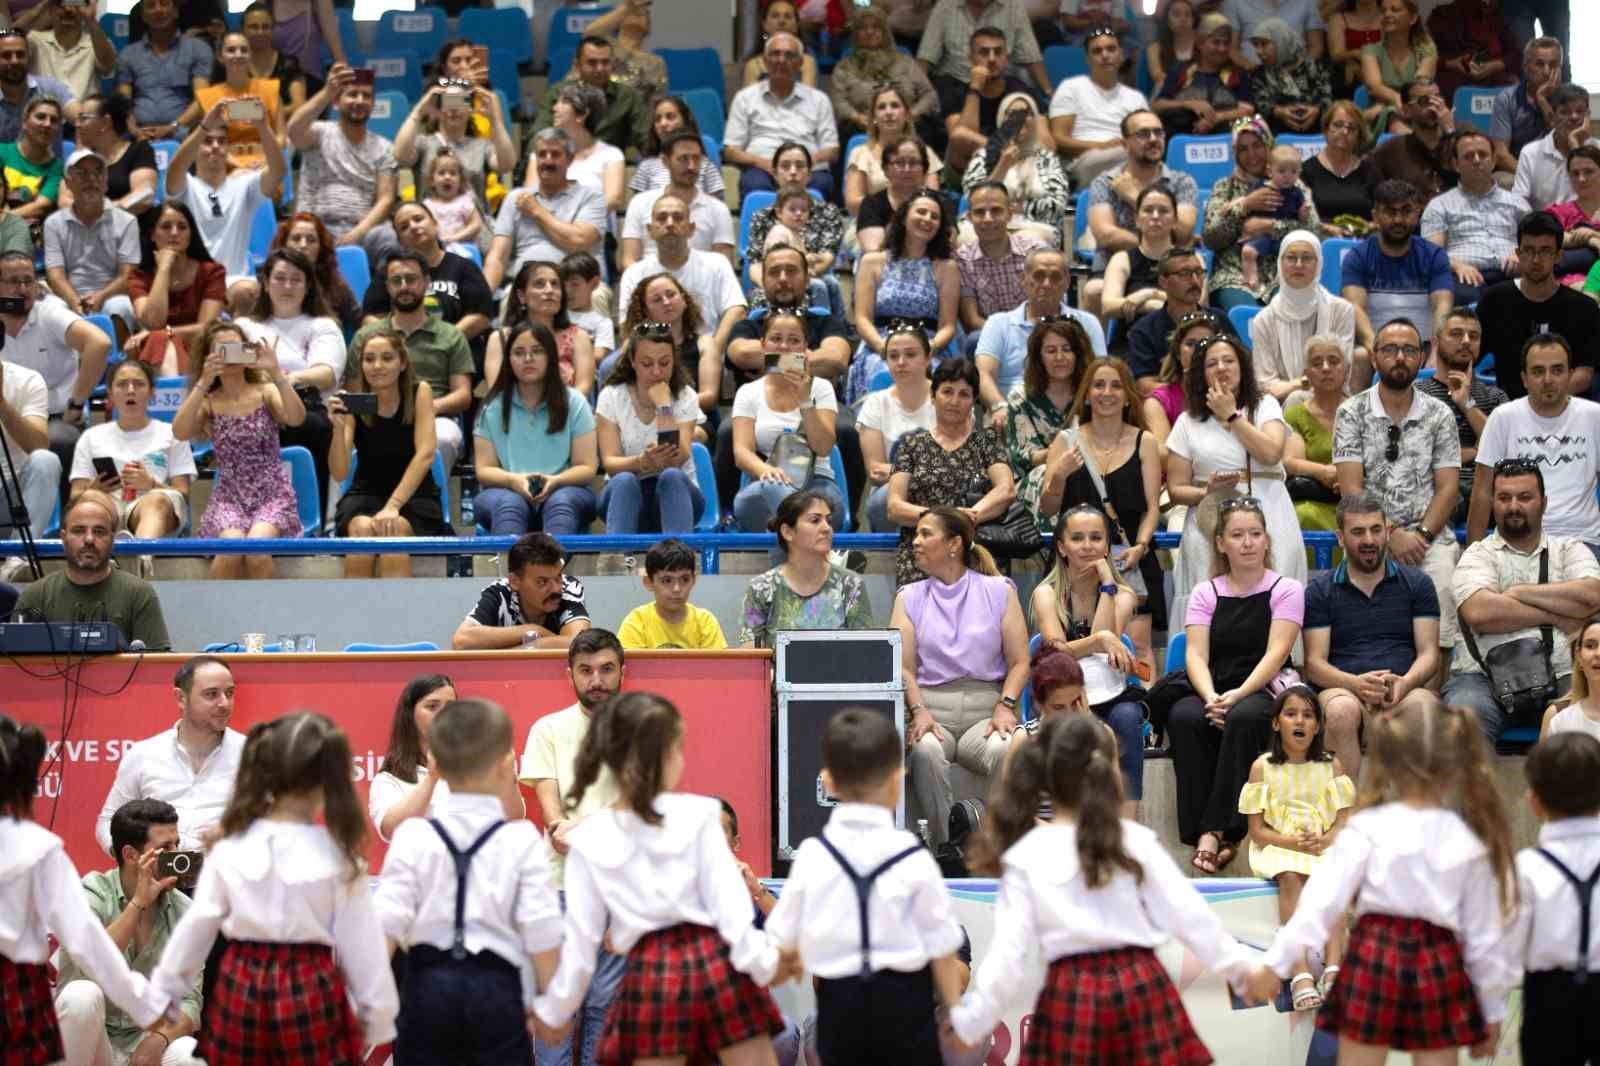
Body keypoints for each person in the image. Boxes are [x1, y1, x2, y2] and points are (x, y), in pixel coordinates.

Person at [948, 714, 1255, 1058]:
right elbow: (1192, 918)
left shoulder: (1027, 855)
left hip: (1070, 996)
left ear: (1044, 778)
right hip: (1141, 987)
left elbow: (1007, 958)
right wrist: (1244, 973)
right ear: (1108, 773)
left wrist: (972, 1024)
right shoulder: (1133, 840)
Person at [1242, 700, 1515, 1061]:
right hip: (1438, 962)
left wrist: (1275, 964)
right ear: (1454, 768)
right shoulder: (1466, 841)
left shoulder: (1365, 830)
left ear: (1386, 762)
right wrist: (1492, 1012)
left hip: (1373, 958)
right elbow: (1484, 938)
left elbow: (1318, 906)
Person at [529, 692, 787, 1059]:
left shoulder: (588, 838)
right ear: (670, 756)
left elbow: (581, 946)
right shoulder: (701, 815)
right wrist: (764, 962)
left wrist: (555, 1008)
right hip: (715, 969)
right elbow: (731, 914)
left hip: (652, 978)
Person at [145, 712, 399, 1063]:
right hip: (312, 987)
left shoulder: (229, 850)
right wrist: (379, 1016)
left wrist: (166, 992)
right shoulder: (340, 859)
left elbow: (195, 929)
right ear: (329, 780)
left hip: (241, 985)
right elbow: (363, 949)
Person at [765, 707, 966, 1065]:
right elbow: (942, 948)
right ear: (896, 780)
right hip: (907, 1014)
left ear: (827, 783)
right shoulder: (914, 858)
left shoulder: (812, 856)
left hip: (840, 1013)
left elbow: (783, 941)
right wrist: (954, 1009)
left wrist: (789, 964)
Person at [373, 697, 561, 1066]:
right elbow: (542, 929)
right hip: (498, 994)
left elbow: (385, 926)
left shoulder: (412, 836)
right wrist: (552, 1001)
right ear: (508, 763)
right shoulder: (520, 839)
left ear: (434, 764)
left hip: (426, 991)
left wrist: (371, 1002)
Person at [0, 717, 166, 1066]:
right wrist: (141, 1003)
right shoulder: (37, 849)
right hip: (15, 993)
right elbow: (87, 941)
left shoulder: (37, 850)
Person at [1168, 495, 1306, 875]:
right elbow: (1195, 655)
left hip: (1263, 689)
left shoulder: (1287, 589)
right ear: (1220, 543)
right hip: (1215, 686)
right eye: (1238, 535)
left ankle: (1216, 832)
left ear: (1267, 541)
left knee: (1245, 718)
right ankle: (1200, 830)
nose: (1247, 542)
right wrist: (1211, 696)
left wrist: (1237, 696)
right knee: (1184, 716)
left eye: (1255, 534)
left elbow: (1277, 653)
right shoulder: (1205, 592)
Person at [1332, 316, 1461, 672]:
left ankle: (1432, 708)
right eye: (1389, 350)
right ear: (1374, 358)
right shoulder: (1351, 412)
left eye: (1408, 350)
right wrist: (1390, 535)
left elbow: (1448, 488)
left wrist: (1418, 536)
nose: (1399, 357)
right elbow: (1351, 489)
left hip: (1429, 537)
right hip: (1369, 535)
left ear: (1423, 356)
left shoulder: (1439, 413)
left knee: (1445, 597)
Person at [893, 506, 1028, 844]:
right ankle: (946, 847)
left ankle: (995, 844)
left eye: (925, 534)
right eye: (916, 535)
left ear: (954, 544)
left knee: (1004, 748)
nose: (916, 542)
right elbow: (903, 667)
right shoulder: (908, 597)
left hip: (985, 709)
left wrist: (1006, 704)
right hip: (931, 709)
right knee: (925, 751)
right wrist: (918, 710)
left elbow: (1020, 661)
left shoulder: (1000, 590)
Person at [1449, 457, 1600, 742]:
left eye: (1525, 497)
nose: (1514, 506)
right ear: (1493, 503)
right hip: (1482, 678)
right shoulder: (1478, 554)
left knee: (1588, 710)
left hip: (1562, 673)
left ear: (1543, 502)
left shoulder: (1570, 550)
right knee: (1463, 718)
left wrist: (1518, 593)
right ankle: (1478, 789)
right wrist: (1556, 615)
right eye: (1504, 498)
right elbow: (1481, 613)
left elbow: (1591, 597)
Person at [1304, 491, 1445, 781]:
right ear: (1340, 537)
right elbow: (1314, 664)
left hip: (1403, 687)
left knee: (1425, 707)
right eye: (1357, 532)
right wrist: (1355, 684)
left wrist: (1405, 683)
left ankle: (1416, 818)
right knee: (1341, 711)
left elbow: (1430, 654)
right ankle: (1345, 818)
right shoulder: (1319, 591)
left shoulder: (1418, 584)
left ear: (1388, 531)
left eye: (1376, 530)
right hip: (1343, 688)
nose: (1368, 540)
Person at [53, 798, 204, 1066]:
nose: (177, 855)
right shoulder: (88, 894)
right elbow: (91, 966)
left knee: (189, 1054)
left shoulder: (186, 912)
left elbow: (190, 1001)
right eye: (164, 848)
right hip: (93, 1038)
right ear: (131, 855)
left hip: (145, 1036)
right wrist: (138, 904)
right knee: (81, 995)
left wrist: (159, 1039)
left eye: (177, 844)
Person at [1166, 334, 1306, 620]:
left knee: (1275, 602)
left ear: (1242, 367)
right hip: (1210, 519)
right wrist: (1206, 491)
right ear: (1200, 374)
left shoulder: (1264, 405)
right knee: (1211, 605)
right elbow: (1176, 488)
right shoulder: (1187, 420)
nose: (1221, 368)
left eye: (1229, 360)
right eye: (1212, 363)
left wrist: (1232, 416)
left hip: (1271, 511)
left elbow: (1270, 454)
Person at [1238, 686, 1354, 1012]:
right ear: (1276, 723)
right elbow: (1258, 832)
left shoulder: (1332, 766)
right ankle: (1300, 972)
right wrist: (1293, 843)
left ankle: (1334, 969)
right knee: (1290, 875)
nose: (1299, 721)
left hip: (1322, 843)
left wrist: (1325, 840)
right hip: (1278, 844)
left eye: (1308, 715)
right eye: (1291, 714)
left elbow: (1344, 822)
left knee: (1333, 875)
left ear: (1317, 725)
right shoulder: (1263, 767)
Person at [1030, 503, 1149, 810]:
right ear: (1061, 546)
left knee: (1127, 717)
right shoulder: (1046, 594)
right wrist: (1101, 639)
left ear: (1107, 545)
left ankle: (1126, 822)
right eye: (1078, 538)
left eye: (1096, 538)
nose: (1087, 546)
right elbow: (1057, 649)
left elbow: (1101, 639)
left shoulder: (1124, 595)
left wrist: (1107, 586)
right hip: (1063, 695)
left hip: (1110, 693)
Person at [171, 319, 304, 578]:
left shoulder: (266, 391)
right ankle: (218, 618)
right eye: (222, 349)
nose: (230, 355)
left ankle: (269, 619)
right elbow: (179, 431)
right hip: (229, 496)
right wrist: (203, 381)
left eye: (236, 347)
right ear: (209, 357)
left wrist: (276, 373)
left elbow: (296, 417)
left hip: (273, 493)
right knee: (229, 550)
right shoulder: (209, 402)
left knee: (255, 549)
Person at [328, 328, 451, 579]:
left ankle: (397, 618)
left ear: (403, 363)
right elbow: (339, 471)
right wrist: (338, 431)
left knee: (393, 529)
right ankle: (356, 616)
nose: (377, 366)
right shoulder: (353, 402)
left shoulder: (420, 392)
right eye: (369, 359)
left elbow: (426, 454)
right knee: (361, 530)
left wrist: (393, 506)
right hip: (365, 493)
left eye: (387, 358)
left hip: (415, 496)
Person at [1508, 731, 1600, 1064]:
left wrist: (1489, 1010)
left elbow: (1507, 945)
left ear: (1534, 802)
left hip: (1549, 997)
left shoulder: (1526, 867)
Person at [232, 247, 344, 512]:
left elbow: (325, 374)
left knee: (314, 425)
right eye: (280, 278)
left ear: (307, 287)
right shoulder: (246, 326)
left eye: (296, 279)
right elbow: (233, 367)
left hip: (306, 406)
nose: (288, 285)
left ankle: (313, 517)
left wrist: (282, 378)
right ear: (266, 283)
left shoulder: (322, 325)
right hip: (254, 406)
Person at [885, 357, 1014, 586]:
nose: (954, 401)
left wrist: (968, 517)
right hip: (923, 554)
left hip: (976, 550)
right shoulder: (911, 445)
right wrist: (946, 520)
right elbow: (895, 507)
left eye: (964, 394)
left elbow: (1005, 490)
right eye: (947, 391)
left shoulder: (988, 442)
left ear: (974, 400)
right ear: (933, 397)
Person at [1469, 334, 1600, 550]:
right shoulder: (1503, 417)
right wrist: (1473, 556)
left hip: (1584, 541)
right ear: (1524, 379)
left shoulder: (1594, 416)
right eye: (1538, 371)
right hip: (1517, 541)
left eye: (1557, 370)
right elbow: (1482, 491)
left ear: (1570, 375)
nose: (1548, 379)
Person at [349, 251, 473, 475]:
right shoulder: (366, 337)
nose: (404, 286)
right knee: (343, 438)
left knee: (444, 439)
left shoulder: (451, 335)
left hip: (436, 416)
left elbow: (463, 395)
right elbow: (355, 392)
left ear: (426, 282)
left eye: (411, 279)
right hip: (377, 418)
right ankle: (345, 509)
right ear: (387, 287)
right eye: (396, 280)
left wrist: (426, 408)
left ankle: (432, 505)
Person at [472, 318, 597, 538]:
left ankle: (552, 571)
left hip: (564, 488)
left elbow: (586, 467)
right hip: (506, 489)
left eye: (537, 351)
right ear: (508, 360)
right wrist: (513, 481)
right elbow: (484, 470)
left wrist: (556, 481)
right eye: (519, 352)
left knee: (561, 503)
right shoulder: (492, 407)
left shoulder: (575, 402)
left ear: (550, 356)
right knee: (509, 504)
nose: (528, 359)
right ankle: (514, 573)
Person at [0, 249, 107, 489]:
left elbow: (99, 343)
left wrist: (77, 403)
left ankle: (62, 520)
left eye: (29, 280)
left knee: (59, 442)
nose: (23, 289)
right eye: (13, 281)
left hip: (54, 418)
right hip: (5, 418)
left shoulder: (49, 312)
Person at [165, 102, 285, 314]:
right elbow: (175, 168)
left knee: (249, 291)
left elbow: (278, 171)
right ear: (195, 148)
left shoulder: (245, 185)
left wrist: (263, 128)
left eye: (221, 141)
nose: (215, 146)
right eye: (207, 141)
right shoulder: (186, 186)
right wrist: (204, 125)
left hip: (233, 281)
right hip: (191, 283)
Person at [731, 309, 844, 532]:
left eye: (793, 340)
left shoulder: (822, 389)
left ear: (805, 349)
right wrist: (766, 470)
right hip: (765, 484)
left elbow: (823, 447)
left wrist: (804, 400)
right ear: (763, 345)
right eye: (776, 339)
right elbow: (741, 453)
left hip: (818, 484)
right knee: (774, 489)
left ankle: (786, 561)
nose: (784, 347)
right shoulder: (748, 392)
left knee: (804, 512)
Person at [16, 490, 170, 648]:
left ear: (112, 539)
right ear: (63, 537)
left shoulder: (139, 594)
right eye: (78, 531)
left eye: (99, 531)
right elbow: (13, 667)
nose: (89, 539)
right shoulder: (34, 597)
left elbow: (158, 665)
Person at [1477, 211, 1600, 399]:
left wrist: (1540, 402)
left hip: (1568, 408)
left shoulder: (1584, 308)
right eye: (1528, 250)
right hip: (1509, 410)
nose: (1536, 259)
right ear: (1518, 253)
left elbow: (1584, 374)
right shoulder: (1494, 300)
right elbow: (1470, 356)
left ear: (1558, 255)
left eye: (1544, 251)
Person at [852, 192, 961, 404]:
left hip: (928, 346)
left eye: (934, 216)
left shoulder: (947, 268)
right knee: (881, 370)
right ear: (903, 217)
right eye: (921, 212)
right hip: (881, 345)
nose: (927, 219)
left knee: (935, 374)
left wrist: (926, 349)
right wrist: (884, 347)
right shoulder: (872, 262)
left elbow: (948, 326)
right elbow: (862, 319)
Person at [286, 62, 399, 266]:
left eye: (366, 96)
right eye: (352, 94)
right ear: (337, 102)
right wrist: (328, 91)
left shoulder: (384, 148)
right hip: (315, 225)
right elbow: (293, 130)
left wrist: (358, 233)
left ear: (373, 104)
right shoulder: (319, 133)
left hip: (361, 227)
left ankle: (383, 297)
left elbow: (386, 199)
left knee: (387, 239)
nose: (359, 100)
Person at [1203, 118, 1322, 311]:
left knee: (1289, 311)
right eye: (1243, 149)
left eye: (1257, 145)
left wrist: (1270, 226)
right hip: (1234, 274)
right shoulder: (1225, 187)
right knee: (1245, 315)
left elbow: (1313, 232)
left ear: (1268, 146)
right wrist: (1245, 206)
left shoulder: (1293, 184)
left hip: (1284, 272)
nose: (1252, 155)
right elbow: (1211, 238)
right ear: (1235, 153)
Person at [595, 322, 703, 534]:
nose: (656, 372)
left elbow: (678, 456)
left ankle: (677, 562)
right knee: (625, 480)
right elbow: (610, 463)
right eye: (647, 363)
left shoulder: (686, 395)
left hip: (678, 495)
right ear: (633, 362)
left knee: (671, 475)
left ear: (674, 361)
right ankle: (618, 562)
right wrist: (642, 462)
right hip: (624, 495)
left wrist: (664, 406)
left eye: (664, 363)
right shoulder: (611, 396)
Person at [70, 360, 195, 539]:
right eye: (122, 384)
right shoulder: (91, 437)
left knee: (157, 500)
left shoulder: (172, 434)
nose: (130, 390)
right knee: (89, 498)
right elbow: (75, 497)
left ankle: (140, 557)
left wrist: (151, 485)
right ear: (110, 394)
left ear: (151, 392)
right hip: (107, 507)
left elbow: (183, 495)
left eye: (138, 384)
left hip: (155, 509)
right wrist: (95, 488)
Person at [973, 248, 1105, 414]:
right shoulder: (998, 324)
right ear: (1023, 279)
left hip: (1073, 415)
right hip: (1010, 414)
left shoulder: (1087, 323)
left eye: (1055, 277)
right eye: (1039, 276)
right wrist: (999, 406)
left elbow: (1099, 375)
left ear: (1067, 282)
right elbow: (983, 375)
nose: (1047, 284)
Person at [615, 199, 746, 363]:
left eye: (678, 218)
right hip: (652, 358)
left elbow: (736, 310)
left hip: (704, 350)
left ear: (691, 229)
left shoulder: (717, 263)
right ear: (649, 230)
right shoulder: (634, 273)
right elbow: (627, 328)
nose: (670, 224)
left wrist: (712, 353)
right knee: (609, 365)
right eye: (662, 218)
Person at [739, 489, 874, 648]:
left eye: (828, 521)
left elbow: (865, 652)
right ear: (788, 532)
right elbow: (751, 657)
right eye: (815, 520)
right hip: (775, 673)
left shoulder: (851, 584)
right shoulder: (760, 588)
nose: (827, 528)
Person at [367, 202, 495, 361]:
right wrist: (399, 347)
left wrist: (444, 343)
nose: (413, 227)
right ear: (400, 241)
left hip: (456, 355)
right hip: (404, 360)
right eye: (404, 227)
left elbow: (481, 316)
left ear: (435, 224)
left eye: (418, 219)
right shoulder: (389, 272)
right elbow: (370, 318)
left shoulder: (464, 267)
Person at [483, 129, 605, 291]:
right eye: (542, 154)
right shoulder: (516, 198)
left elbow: (578, 241)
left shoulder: (591, 197)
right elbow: (497, 257)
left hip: (575, 287)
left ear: (569, 159)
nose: (547, 161)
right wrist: (482, 297)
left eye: (555, 154)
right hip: (524, 286)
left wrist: (537, 211)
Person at [723, 32, 839, 200]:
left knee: (822, 184)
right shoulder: (745, 98)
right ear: (764, 61)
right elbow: (730, 150)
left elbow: (832, 150)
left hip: (808, 170)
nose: (781, 60)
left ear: (800, 63)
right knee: (754, 185)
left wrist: (801, 164)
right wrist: (763, 163)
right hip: (762, 168)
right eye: (775, 54)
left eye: (789, 55)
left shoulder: (819, 100)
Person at [1414, 307, 1503, 524]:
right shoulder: (1417, 395)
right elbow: (1420, 455)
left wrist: (1466, 404)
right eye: (1456, 334)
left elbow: (1504, 451)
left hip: (1486, 488)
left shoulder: (1495, 396)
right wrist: (1475, 451)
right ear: (1435, 342)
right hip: (1434, 488)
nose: (1465, 341)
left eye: (1473, 336)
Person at [1339, 178, 1454, 346]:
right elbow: (1355, 309)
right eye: (1390, 212)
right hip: (1376, 346)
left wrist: (1437, 349)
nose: (1398, 220)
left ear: (1417, 215)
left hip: (1425, 346)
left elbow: (1442, 306)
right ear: (1375, 216)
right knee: (1359, 358)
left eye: (1406, 211)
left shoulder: (1435, 255)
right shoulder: (1357, 256)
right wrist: (1376, 350)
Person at [394, 80, 516, 237]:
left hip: (474, 230)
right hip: (429, 231)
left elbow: (507, 165)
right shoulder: (423, 143)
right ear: (439, 108)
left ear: (470, 108)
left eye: (460, 101)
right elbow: (399, 156)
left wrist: (495, 120)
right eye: (449, 101)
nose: (454, 108)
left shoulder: (482, 146)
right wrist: (418, 112)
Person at [1422, 128, 1531, 304]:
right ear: (1456, 164)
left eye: (1482, 154)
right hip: (1463, 276)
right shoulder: (1439, 205)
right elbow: (1431, 252)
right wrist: (1457, 266)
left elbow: (1535, 240)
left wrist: (1522, 254)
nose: (1477, 160)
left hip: (1512, 273)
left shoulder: (1517, 203)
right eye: (1468, 156)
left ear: (1494, 160)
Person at [1251, 232, 1360, 401]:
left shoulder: (1342, 310)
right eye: (1291, 258)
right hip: (1278, 406)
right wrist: (1300, 385)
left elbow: (1339, 373)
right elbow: (1265, 385)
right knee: (1296, 400)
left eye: (1307, 258)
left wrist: (1295, 386)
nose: (1299, 264)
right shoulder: (1264, 320)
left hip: (1331, 400)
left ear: (1319, 264)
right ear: (1280, 263)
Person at [1008, 317, 1090, 529]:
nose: (1060, 357)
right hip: (1035, 478)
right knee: (1046, 473)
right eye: (1051, 351)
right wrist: (1058, 457)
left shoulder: (1092, 394)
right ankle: (1053, 548)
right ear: (1039, 357)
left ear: (1077, 353)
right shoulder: (1021, 397)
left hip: (1089, 467)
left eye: (1066, 349)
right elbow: (1021, 456)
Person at [43, 148, 139, 330]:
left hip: (111, 295)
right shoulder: (53, 223)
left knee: (120, 307)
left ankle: (118, 358)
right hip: (69, 295)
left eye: (98, 172)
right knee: (50, 308)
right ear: (68, 183)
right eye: (82, 173)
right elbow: (55, 275)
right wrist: (73, 300)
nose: (92, 179)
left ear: (106, 183)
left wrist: (100, 297)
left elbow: (128, 275)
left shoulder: (127, 222)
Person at [127, 200, 226, 375]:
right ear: (151, 234)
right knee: (157, 340)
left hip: (200, 350)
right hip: (155, 351)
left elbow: (206, 328)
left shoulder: (212, 272)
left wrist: (167, 333)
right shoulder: (139, 277)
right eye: (166, 227)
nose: (174, 233)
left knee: (158, 337)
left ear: (191, 234)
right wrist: (164, 268)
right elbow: (153, 322)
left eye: (182, 227)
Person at [960, 92, 1070, 248]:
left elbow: (1058, 205)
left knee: (1028, 242)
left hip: (1033, 226)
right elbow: (972, 199)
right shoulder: (983, 156)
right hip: (986, 223)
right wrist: (1003, 166)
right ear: (1001, 119)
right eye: (1012, 113)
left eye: (1028, 114)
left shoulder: (1047, 159)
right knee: (968, 239)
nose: (1021, 119)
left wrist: (1022, 208)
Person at [453, 531, 591, 651]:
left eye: (558, 578)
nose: (556, 588)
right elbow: (461, 641)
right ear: (514, 582)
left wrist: (534, 645)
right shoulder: (500, 592)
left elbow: (580, 645)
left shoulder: (569, 587)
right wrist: (532, 630)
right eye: (542, 582)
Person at [616, 272, 725, 422]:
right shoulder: (633, 345)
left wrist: (665, 407)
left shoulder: (705, 344)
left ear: (684, 300)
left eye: (671, 295)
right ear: (646, 312)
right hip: (643, 419)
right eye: (657, 300)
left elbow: (709, 396)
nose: (666, 302)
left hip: (696, 419)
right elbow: (623, 392)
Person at [619, 132, 734, 271]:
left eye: (696, 159)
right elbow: (629, 260)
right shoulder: (640, 203)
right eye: (684, 159)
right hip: (650, 285)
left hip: (700, 286)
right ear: (665, 162)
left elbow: (724, 266)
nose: (691, 166)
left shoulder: (718, 209)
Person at [859, 328, 937, 532]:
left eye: (910, 354)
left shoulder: (948, 399)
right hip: (890, 494)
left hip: (941, 488)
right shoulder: (875, 403)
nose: (901, 362)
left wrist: (896, 471)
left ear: (928, 358)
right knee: (883, 500)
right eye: (893, 356)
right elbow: (876, 472)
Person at [1048, 30, 1149, 186]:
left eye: (1111, 49)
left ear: (1121, 55)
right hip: (1085, 162)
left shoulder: (1136, 98)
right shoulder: (1071, 87)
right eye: (1097, 51)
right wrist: (1101, 147)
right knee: (1131, 155)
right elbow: (1058, 139)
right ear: (1088, 59)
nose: (1105, 55)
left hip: (1127, 156)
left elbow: (1146, 137)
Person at [485, 261, 597, 400]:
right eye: (539, 284)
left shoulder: (579, 337)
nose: (549, 290)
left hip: (568, 414)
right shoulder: (501, 338)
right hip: (515, 417)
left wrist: (555, 411)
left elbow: (584, 387)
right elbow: (496, 392)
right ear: (522, 296)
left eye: (555, 284)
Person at [830, 5, 939, 143]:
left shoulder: (905, 62)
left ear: (885, 32)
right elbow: (838, 100)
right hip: (862, 124)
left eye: (876, 27)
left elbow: (929, 94)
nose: (869, 32)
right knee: (846, 131)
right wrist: (856, 117)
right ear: (856, 34)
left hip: (907, 122)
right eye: (863, 28)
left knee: (930, 129)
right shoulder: (844, 67)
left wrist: (912, 113)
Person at [175, 32, 281, 174]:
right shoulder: (208, 97)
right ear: (220, 57)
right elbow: (205, 142)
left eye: (244, 50)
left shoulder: (270, 89)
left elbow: (282, 136)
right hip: (222, 169)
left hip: (265, 167)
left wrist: (265, 160)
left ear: (250, 55)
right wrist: (239, 165)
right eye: (231, 50)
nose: (238, 55)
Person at [918, 1, 1048, 115]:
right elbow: (925, 56)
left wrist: (1048, 91)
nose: (991, 58)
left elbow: (1031, 55)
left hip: (998, 85)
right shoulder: (945, 6)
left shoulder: (1013, 5)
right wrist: (919, 94)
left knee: (1027, 101)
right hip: (954, 84)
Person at [955, 183, 1041, 351]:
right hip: (989, 339)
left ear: (1009, 214)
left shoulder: (1034, 253)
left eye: (996, 210)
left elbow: (1046, 306)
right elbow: (972, 320)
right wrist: (1009, 335)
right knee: (975, 340)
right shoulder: (962, 260)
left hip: (1034, 333)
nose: (988, 218)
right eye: (980, 212)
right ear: (969, 217)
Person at [940, 25, 1036, 174]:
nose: (992, 59)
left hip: (1013, 168)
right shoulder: (955, 92)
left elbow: (1045, 140)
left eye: (998, 52)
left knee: (1021, 106)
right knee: (960, 135)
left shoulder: (1021, 90)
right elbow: (961, 143)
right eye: (984, 53)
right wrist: (975, 89)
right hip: (967, 170)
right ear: (971, 58)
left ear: (1006, 57)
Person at [531, 35, 648, 156]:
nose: (600, 68)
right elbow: (538, 133)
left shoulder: (628, 97)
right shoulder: (559, 93)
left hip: (610, 165)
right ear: (577, 65)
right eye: (592, 62)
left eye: (605, 62)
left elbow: (644, 139)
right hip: (565, 164)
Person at [114, 0, 212, 141]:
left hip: (182, 134)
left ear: (175, 11)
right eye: (151, 5)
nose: (158, 10)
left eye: (164, 3)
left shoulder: (198, 49)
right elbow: (124, 102)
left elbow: (201, 100)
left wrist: (172, 127)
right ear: (143, 15)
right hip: (138, 135)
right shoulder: (128, 54)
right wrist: (135, 131)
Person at [843, 84, 942, 220]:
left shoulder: (925, 152)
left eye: (895, 105)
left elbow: (933, 199)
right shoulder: (860, 153)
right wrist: (893, 204)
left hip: (918, 223)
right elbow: (853, 204)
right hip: (871, 221)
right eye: (881, 107)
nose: (888, 112)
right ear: (874, 118)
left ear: (907, 115)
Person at [1151, 12, 1255, 138]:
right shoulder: (1180, 71)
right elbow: (1158, 105)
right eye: (1216, 43)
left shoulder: (1237, 74)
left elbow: (1248, 110)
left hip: (1227, 141)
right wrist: (1188, 104)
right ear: (1200, 43)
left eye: (1226, 43)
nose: (1222, 49)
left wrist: (1216, 118)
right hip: (1183, 139)